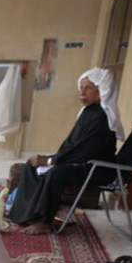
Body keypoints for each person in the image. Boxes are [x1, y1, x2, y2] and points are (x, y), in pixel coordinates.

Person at [8, 67, 125, 234]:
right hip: (82, 162)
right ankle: (29, 215)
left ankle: (44, 221)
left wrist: (51, 161)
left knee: (56, 173)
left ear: (102, 92)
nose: (82, 92)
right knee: (32, 164)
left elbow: (85, 151)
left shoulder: (102, 117)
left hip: (97, 169)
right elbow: (72, 146)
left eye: (88, 88)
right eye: (81, 87)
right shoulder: (89, 112)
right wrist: (52, 158)